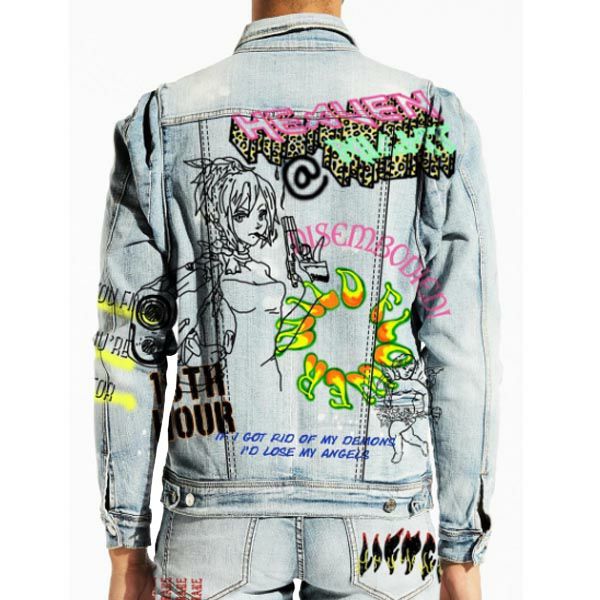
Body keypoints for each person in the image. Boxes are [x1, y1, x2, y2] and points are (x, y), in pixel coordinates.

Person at [94, 1, 501, 599]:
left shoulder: (164, 121)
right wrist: (461, 550)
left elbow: (126, 350)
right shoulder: (430, 119)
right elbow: (462, 349)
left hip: (211, 517)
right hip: (385, 528)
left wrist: (126, 545)